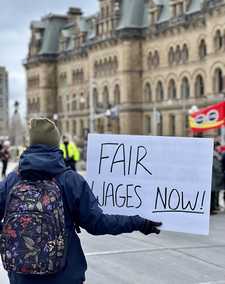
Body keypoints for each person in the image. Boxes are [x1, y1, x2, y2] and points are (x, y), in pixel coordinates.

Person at [0, 118, 162, 284]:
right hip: (64, 275)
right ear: (56, 144)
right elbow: (98, 223)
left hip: (21, 276)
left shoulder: (12, 180)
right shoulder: (70, 180)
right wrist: (139, 222)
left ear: (30, 144)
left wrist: (8, 233)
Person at [211, 141, 224, 214]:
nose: (219, 147)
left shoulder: (217, 154)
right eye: (218, 146)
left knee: (215, 193)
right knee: (212, 193)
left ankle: (214, 207)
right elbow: (216, 167)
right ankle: (211, 208)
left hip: (216, 177)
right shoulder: (214, 155)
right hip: (214, 177)